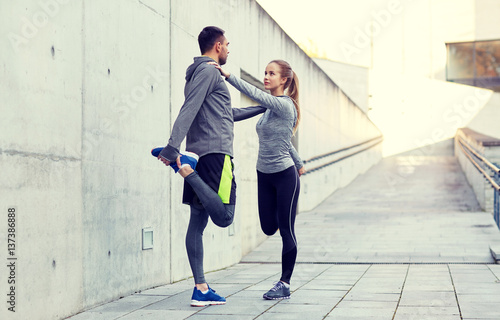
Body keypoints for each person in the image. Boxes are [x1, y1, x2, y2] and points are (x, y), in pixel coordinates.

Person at [157, 26, 265, 307]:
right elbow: (189, 108)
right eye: (227, 45)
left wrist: (263, 106)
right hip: (216, 155)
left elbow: (226, 114)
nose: (229, 49)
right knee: (225, 216)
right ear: (217, 46)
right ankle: (185, 170)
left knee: (197, 222)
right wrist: (171, 147)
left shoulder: (199, 75)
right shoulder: (209, 71)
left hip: (200, 152)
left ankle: (201, 289)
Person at [212, 59, 306, 300]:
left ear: (284, 80)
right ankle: (283, 216)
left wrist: (229, 76)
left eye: (271, 73)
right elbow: (284, 139)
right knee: (267, 226)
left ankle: (284, 283)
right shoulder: (270, 109)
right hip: (263, 174)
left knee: (286, 229)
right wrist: (300, 161)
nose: (266, 77)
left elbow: (254, 94)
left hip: (285, 176)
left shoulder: (283, 105)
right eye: (265, 73)